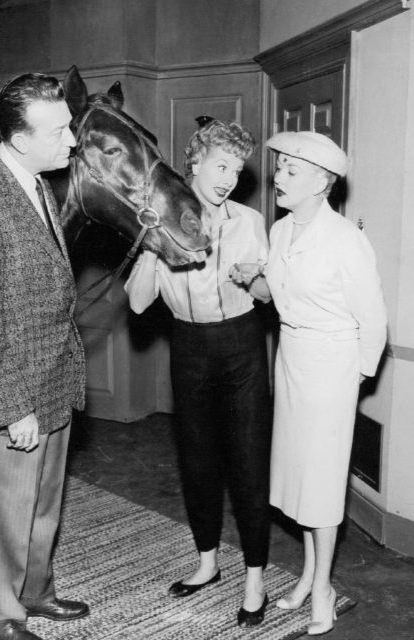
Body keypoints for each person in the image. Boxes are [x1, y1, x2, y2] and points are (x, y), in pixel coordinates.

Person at [0, 73, 88, 640]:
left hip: (50, 382)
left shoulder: (37, 183)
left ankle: (33, 591)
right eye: (60, 130)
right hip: (6, 397)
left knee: (40, 508)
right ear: (21, 138)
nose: (73, 140)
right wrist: (12, 407)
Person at [125, 119, 272, 628]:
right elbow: (140, 304)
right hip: (188, 346)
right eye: (221, 165)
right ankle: (207, 561)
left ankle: (255, 577)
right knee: (198, 459)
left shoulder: (250, 222)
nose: (229, 177)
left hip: (241, 344)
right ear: (195, 164)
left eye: (236, 168)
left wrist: (251, 278)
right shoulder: (162, 220)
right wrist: (149, 247)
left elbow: (267, 297)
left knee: (249, 462)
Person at [265, 131, 387, 636]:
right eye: (280, 167)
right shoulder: (280, 232)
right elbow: (281, 295)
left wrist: (352, 377)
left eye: (292, 171)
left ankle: (323, 590)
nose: (278, 176)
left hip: (332, 366)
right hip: (291, 357)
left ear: (323, 183)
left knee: (321, 483)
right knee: (298, 479)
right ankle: (311, 573)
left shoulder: (345, 238)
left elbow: (374, 320)